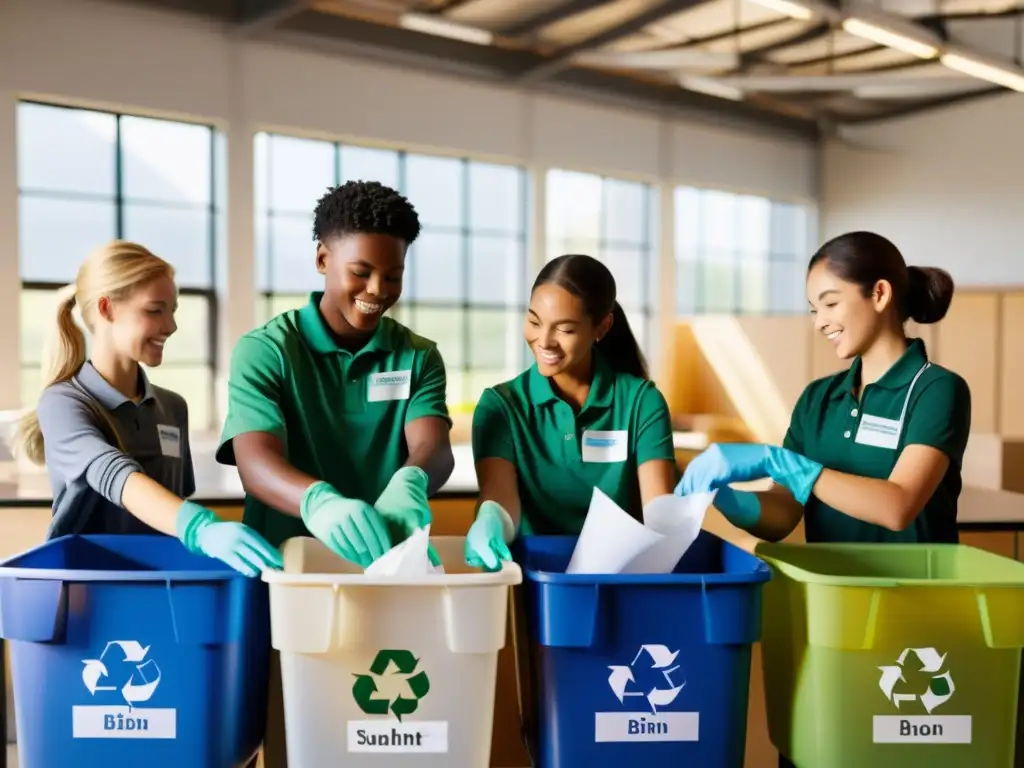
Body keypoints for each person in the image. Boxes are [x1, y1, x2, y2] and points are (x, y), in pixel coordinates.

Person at [677, 230, 971, 548]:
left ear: (880, 294)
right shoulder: (818, 398)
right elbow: (784, 515)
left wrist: (782, 463)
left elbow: (897, 507)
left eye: (830, 303)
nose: (819, 323)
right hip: (831, 591)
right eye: (815, 310)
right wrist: (724, 497)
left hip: (913, 593)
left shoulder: (936, 389)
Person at [215, 179, 454, 566]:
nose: (377, 289)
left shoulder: (418, 356)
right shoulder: (266, 350)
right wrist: (318, 502)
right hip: (286, 567)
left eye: (393, 276)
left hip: (385, 566)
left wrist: (412, 479)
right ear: (323, 259)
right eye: (361, 271)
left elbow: (433, 447)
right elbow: (255, 462)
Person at [14, 240, 282, 577]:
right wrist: (201, 527)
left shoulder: (173, 408)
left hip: (162, 585)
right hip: (88, 590)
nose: (170, 326)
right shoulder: (64, 403)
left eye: (173, 310)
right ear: (106, 309)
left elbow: (175, 503)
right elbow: (114, 475)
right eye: (155, 310)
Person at [464, 253, 678, 570]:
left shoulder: (641, 402)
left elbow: (659, 509)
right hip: (536, 578)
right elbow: (500, 495)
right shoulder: (502, 405)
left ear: (601, 328)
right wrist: (492, 518)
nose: (544, 341)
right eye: (534, 321)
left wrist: (676, 524)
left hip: (621, 574)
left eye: (564, 329)